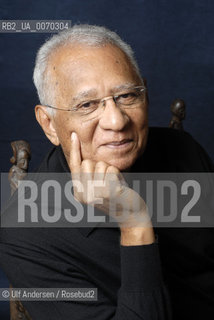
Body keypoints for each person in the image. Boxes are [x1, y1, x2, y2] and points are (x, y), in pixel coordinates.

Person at [0, 24, 213, 320]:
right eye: (87, 104)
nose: (116, 120)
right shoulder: (25, 234)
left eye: (127, 95)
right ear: (49, 124)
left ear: (146, 95)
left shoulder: (182, 150)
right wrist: (134, 223)